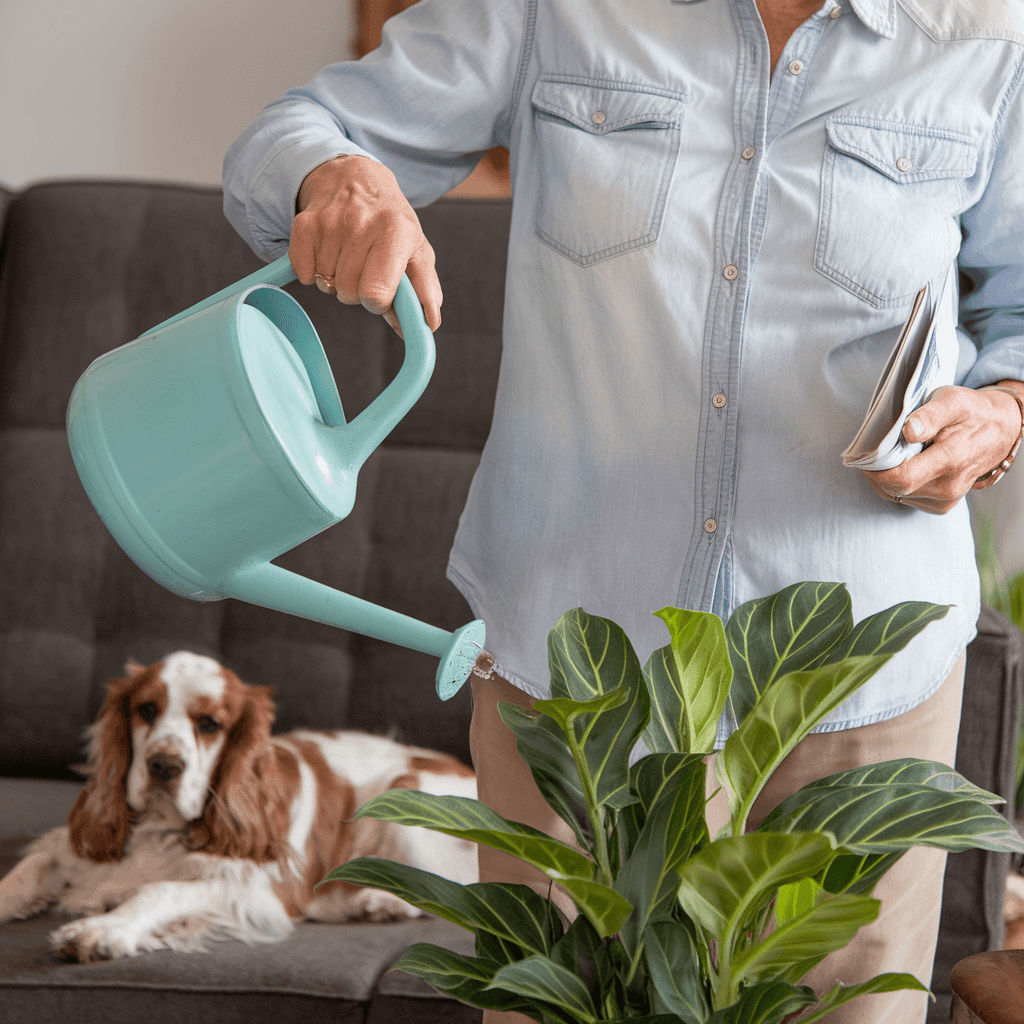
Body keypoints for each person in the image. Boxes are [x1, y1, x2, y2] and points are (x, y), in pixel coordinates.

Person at [223, 1, 1024, 1020]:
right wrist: (334, 179)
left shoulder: (991, 32)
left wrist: (999, 413)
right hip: (581, 687)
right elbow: (284, 137)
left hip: (858, 692)